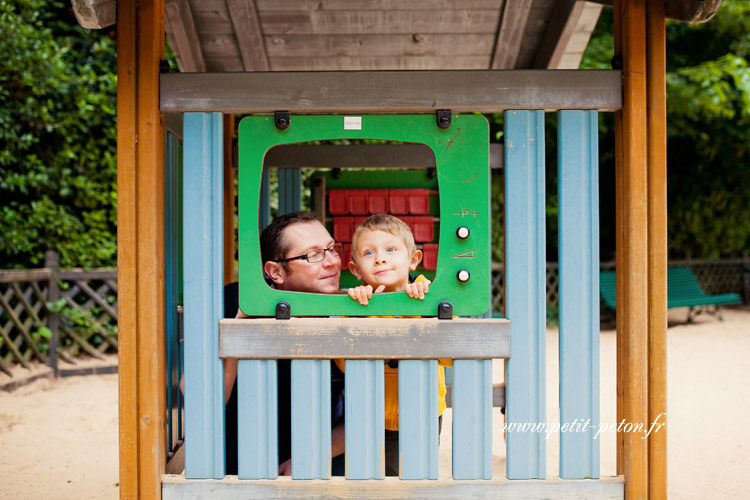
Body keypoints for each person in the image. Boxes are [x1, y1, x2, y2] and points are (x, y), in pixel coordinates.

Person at [223, 211, 346, 476]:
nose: (332, 262)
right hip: (237, 463)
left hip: (320, 458)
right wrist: (240, 326)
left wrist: (312, 455)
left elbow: (369, 412)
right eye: (313, 255)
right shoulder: (236, 300)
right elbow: (204, 399)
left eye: (332, 249)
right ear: (275, 272)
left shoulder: (348, 307)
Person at [342, 213, 450, 476]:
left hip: (421, 412)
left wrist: (423, 307)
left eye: (391, 249)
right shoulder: (356, 303)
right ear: (356, 270)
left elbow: (451, 353)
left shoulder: (431, 297)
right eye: (369, 253)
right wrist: (360, 312)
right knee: (368, 478)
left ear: (413, 260)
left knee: (414, 476)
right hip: (369, 413)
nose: (380, 258)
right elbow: (343, 362)